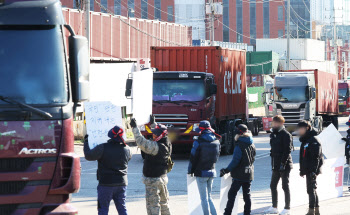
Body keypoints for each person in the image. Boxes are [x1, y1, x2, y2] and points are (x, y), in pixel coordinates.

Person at [84, 126, 132, 215]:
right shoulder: (127, 149)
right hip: (122, 183)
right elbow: (128, 159)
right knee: (122, 208)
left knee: (103, 209)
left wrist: (86, 142)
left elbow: (88, 156)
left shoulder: (102, 148)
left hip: (106, 184)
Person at [130, 116, 172, 215]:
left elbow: (141, 142)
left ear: (160, 135)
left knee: (152, 205)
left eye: (155, 134)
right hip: (162, 178)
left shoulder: (155, 147)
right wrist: (154, 124)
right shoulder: (167, 142)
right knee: (164, 203)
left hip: (153, 180)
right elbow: (161, 132)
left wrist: (135, 128)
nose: (153, 135)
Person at [220, 124, 256, 215]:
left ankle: (227, 213)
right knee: (247, 196)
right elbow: (253, 158)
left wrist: (226, 170)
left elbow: (235, 160)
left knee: (231, 195)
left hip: (239, 174)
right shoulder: (252, 144)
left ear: (238, 134)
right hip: (249, 173)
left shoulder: (239, 145)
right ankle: (247, 213)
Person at [188, 120, 221, 215]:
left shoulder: (198, 142)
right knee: (209, 197)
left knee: (203, 198)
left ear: (201, 130)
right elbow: (217, 156)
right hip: (212, 171)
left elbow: (193, 158)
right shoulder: (217, 141)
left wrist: (190, 171)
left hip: (201, 173)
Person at [265, 116, 293, 215]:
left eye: (276, 123)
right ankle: (274, 206)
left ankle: (287, 208)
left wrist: (283, 163)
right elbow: (273, 149)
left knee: (285, 186)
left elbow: (287, 150)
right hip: (275, 164)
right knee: (273, 185)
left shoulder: (286, 134)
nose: (274, 124)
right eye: (273, 122)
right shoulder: (273, 134)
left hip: (284, 165)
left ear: (281, 123)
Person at [297, 120, 324, 215]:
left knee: (311, 190)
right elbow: (303, 157)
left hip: (312, 169)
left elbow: (316, 157)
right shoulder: (305, 140)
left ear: (307, 128)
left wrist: (313, 171)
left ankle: (311, 210)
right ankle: (316, 210)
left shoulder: (314, 140)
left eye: (301, 129)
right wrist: (302, 170)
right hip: (308, 168)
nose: (299, 131)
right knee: (311, 189)